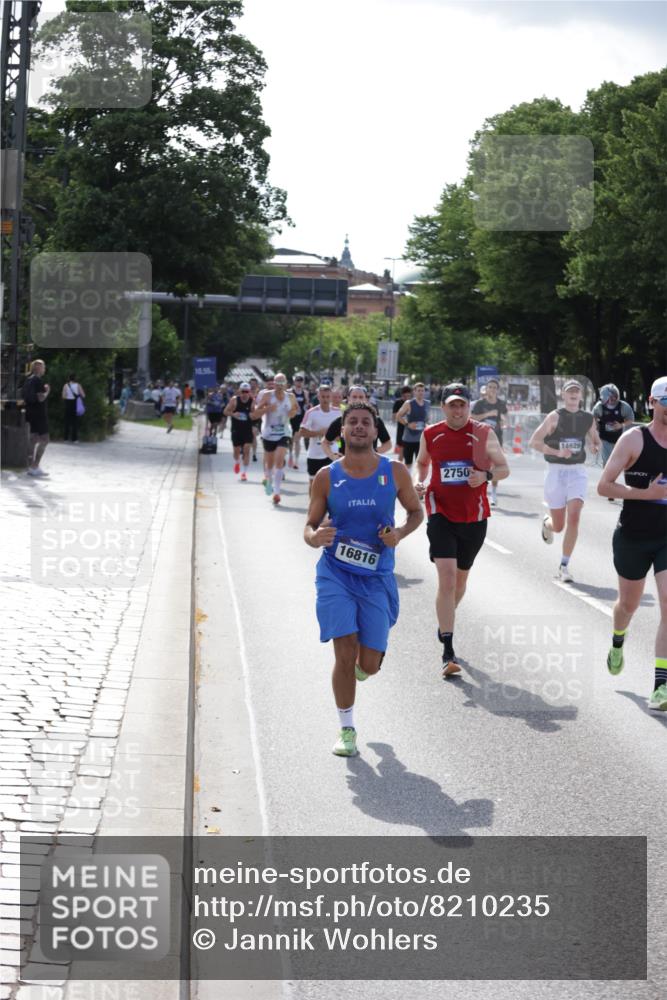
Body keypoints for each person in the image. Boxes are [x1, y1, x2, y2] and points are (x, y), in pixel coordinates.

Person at [304, 402, 423, 756]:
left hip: (376, 576)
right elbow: (309, 526)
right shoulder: (326, 476)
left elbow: (416, 512)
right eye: (352, 422)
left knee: (368, 664)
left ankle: (363, 666)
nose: (358, 426)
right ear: (342, 430)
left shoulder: (395, 471)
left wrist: (399, 534)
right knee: (344, 650)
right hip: (336, 574)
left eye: (365, 422)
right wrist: (315, 537)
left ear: (374, 431)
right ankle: (347, 729)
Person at [415, 383, 509, 676]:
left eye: (462, 405)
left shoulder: (483, 433)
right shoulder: (431, 433)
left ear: (469, 406)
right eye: (452, 405)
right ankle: (448, 650)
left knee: (460, 582)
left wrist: (485, 475)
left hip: (474, 516)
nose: (457, 410)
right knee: (446, 579)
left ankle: (445, 620)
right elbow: (422, 463)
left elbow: (504, 468)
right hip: (440, 510)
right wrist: (420, 481)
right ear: (443, 407)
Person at [597, 376, 667, 709]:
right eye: (666, 402)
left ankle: (661, 686)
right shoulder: (634, 439)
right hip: (633, 537)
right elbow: (604, 486)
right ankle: (617, 641)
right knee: (628, 605)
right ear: (652, 403)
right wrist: (646, 494)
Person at [529, 379, 600, 582]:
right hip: (556, 472)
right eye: (570, 391)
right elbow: (534, 442)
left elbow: (595, 439)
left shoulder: (588, 418)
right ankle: (548, 523)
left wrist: (594, 446)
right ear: (563, 395)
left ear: (581, 396)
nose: (574, 394)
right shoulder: (554, 416)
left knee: (574, 517)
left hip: (577, 472)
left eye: (577, 391)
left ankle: (564, 565)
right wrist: (557, 452)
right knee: (559, 526)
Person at [251, 372, 297, 505]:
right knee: (270, 464)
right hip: (269, 433)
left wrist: (291, 413)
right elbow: (255, 414)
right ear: (274, 383)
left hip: (284, 432)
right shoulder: (267, 395)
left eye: (282, 382)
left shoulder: (291, 396)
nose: (280, 385)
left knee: (279, 460)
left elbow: (295, 410)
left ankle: (277, 493)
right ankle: (269, 480)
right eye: (278, 382)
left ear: (286, 384)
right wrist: (268, 409)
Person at [322, 386, 392, 461]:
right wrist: (333, 456)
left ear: (366, 399)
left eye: (361, 397)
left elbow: (388, 444)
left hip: (369, 464)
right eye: (354, 397)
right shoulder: (340, 421)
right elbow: (325, 442)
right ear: (348, 398)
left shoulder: (376, 420)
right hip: (346, 464)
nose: (357, 400)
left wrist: (374, 452)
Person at [298, 384, 341, 493]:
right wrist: (319, 433)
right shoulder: (311, 413)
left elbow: (343, 433)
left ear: (331, 397)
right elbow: (302, 432)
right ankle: (312, 503)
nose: (325, 399)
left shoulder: (338, 412)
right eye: (323, 397)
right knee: (313, 483)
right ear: (318, 397)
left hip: (332, 453)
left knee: (331, 484)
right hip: (315, 454)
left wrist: (338, 439)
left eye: (327, 396)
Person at [471, 378, 508, 506]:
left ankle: (494, 493)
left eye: (494, 387)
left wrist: (504, 421)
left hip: (496, 438)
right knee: (478, 465)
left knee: (495, 466)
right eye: (490, 387)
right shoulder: (480, 404)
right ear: (486, 389)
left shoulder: (501, 404)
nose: (492, 389)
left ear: (498, 390)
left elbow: (505, 418)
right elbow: (472, 418)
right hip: (479, 439)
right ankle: (479, 493)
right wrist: (488, 414)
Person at [593, 384, 635, 490]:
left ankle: (612, 480)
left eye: (614, 397)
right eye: (609, 397)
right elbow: (593, 417)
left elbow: (631, 419)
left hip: (620, 440)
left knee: (618, 462)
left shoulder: (623, 406)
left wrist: (621, 425)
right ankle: (607, 483)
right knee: (607, 461)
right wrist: (596, 426)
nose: (612, 400)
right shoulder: (599, 406)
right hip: (605, 439)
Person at [22, 359, 51, 477]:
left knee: (33, 439)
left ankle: (31, 467)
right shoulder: (38, 381)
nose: (44, 369)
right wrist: (47, 391)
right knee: (45, 439)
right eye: (43, 367)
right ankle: (35, 466)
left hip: (30, 413)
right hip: (39, 415)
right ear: (38, 368)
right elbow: (40, 398)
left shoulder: (28, 380)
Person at [395, 382, 429, 470]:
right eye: (418, 390)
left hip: (421, 439)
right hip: (409, 439)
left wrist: (426, 425)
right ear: (414, 392)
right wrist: (408, 424)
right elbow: (398, 416)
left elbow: (426, 419)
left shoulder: (427, 403)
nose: (421, 392)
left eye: (422, 390)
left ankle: (417, 479)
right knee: (408, 463)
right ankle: (408, 478)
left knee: (420, 463)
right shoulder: (408, 403)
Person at [224, 382, 254, 481]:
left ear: (249, 392)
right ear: (239, 391)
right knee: (236, 451)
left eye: (246, 392)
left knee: (247, 450)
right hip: (236, 429)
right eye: (243, 391)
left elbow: (256, 414)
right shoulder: (234, 400)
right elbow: (225, 412)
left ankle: (244, 473)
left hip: (247, 429)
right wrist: (233, 414)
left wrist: (255, 420)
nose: (244, 394)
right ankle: (237, 462)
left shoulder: (252, 401)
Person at [288, 374, 310, 469]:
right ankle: (290, 455)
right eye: (297, 381)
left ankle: (296, 461)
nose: (299, 383)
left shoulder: (305, 393)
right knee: (291, 440)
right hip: (291, 418)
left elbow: (307, 404)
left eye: (301, 381)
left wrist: (307, 407)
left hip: (300, 418)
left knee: (297, 439)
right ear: (294, 382)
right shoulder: (290, 392)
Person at [62, 373, 86, 443]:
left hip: (68, 403)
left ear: (69, 378)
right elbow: (83, 395)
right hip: (75, 403)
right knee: (75, 422)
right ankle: (74, 439)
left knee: (67, 421)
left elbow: (63, 396)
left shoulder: (66, 385)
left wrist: (68, 396)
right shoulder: (78, 385)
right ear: (75, 378)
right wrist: (78, 395)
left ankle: (66, 438)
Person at [392, 385, 412, 460]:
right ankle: (400, 465)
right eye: (405, 395)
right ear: (402, 394)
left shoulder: (412, 403)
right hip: (401, 429)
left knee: (409, 452)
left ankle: (407, 466)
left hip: (411, 430)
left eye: (409, 395)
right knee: (401, 452)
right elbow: (394, 416)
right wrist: (402, 417)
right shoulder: (398, 402)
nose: (407, 397)